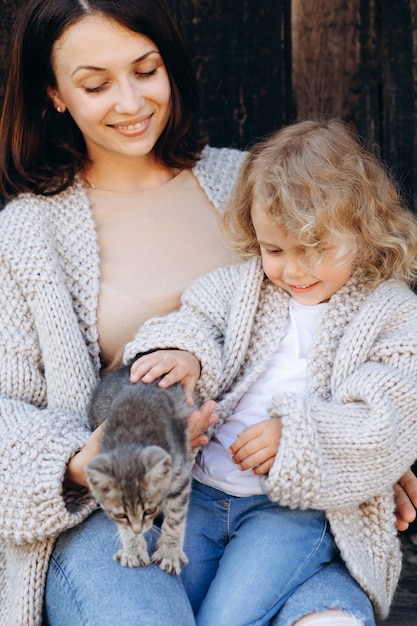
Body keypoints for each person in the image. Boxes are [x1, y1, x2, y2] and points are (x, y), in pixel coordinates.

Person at [0, 0, 415, 624]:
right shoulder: (27, 234)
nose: (131, 102)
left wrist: (371, 454)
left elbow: (356, 325)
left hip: (280, 504)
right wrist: (82, 463)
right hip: (118, 516)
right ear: (55, 94)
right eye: (95, 84)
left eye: (146, 69)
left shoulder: (256, 181)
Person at [127, 118, 417, 626]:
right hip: (202, 493)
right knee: (169, 606)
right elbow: (192, 320)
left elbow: (391, 412)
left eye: (316, 249)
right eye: (274, 250)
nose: (292, 271)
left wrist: (297, 436)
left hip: (295, 511)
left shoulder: (391, 313)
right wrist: (185, 353)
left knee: (227, 617)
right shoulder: (239, 289)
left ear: (364, 229)